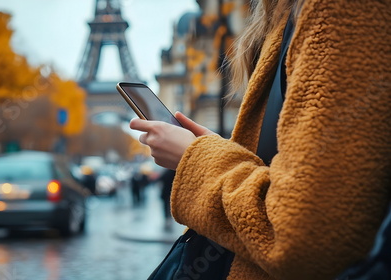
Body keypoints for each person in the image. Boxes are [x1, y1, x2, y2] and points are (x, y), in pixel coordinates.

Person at [130, 0, 390, 279]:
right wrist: (213, 150)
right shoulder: (290, 16)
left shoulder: (335, 9)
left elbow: (302, 237)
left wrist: (195, 160)